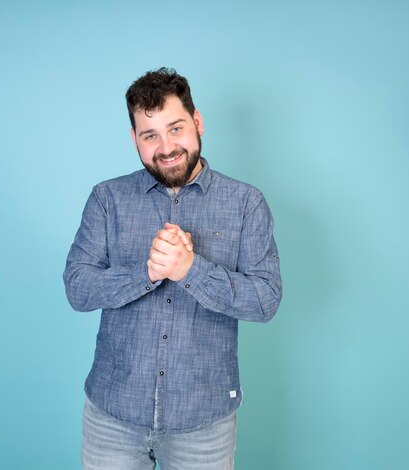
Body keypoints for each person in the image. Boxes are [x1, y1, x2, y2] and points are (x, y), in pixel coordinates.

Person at [63, 67, 282, 469]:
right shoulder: (107, 199)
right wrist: (145, 273)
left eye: (176, 128)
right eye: (150, 135)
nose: (166, 146)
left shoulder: (246, 203)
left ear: (197, 123)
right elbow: (78, 288)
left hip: (204, 424)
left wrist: (190, 270)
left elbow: (265, 300)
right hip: (112, 417)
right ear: (135, 140)